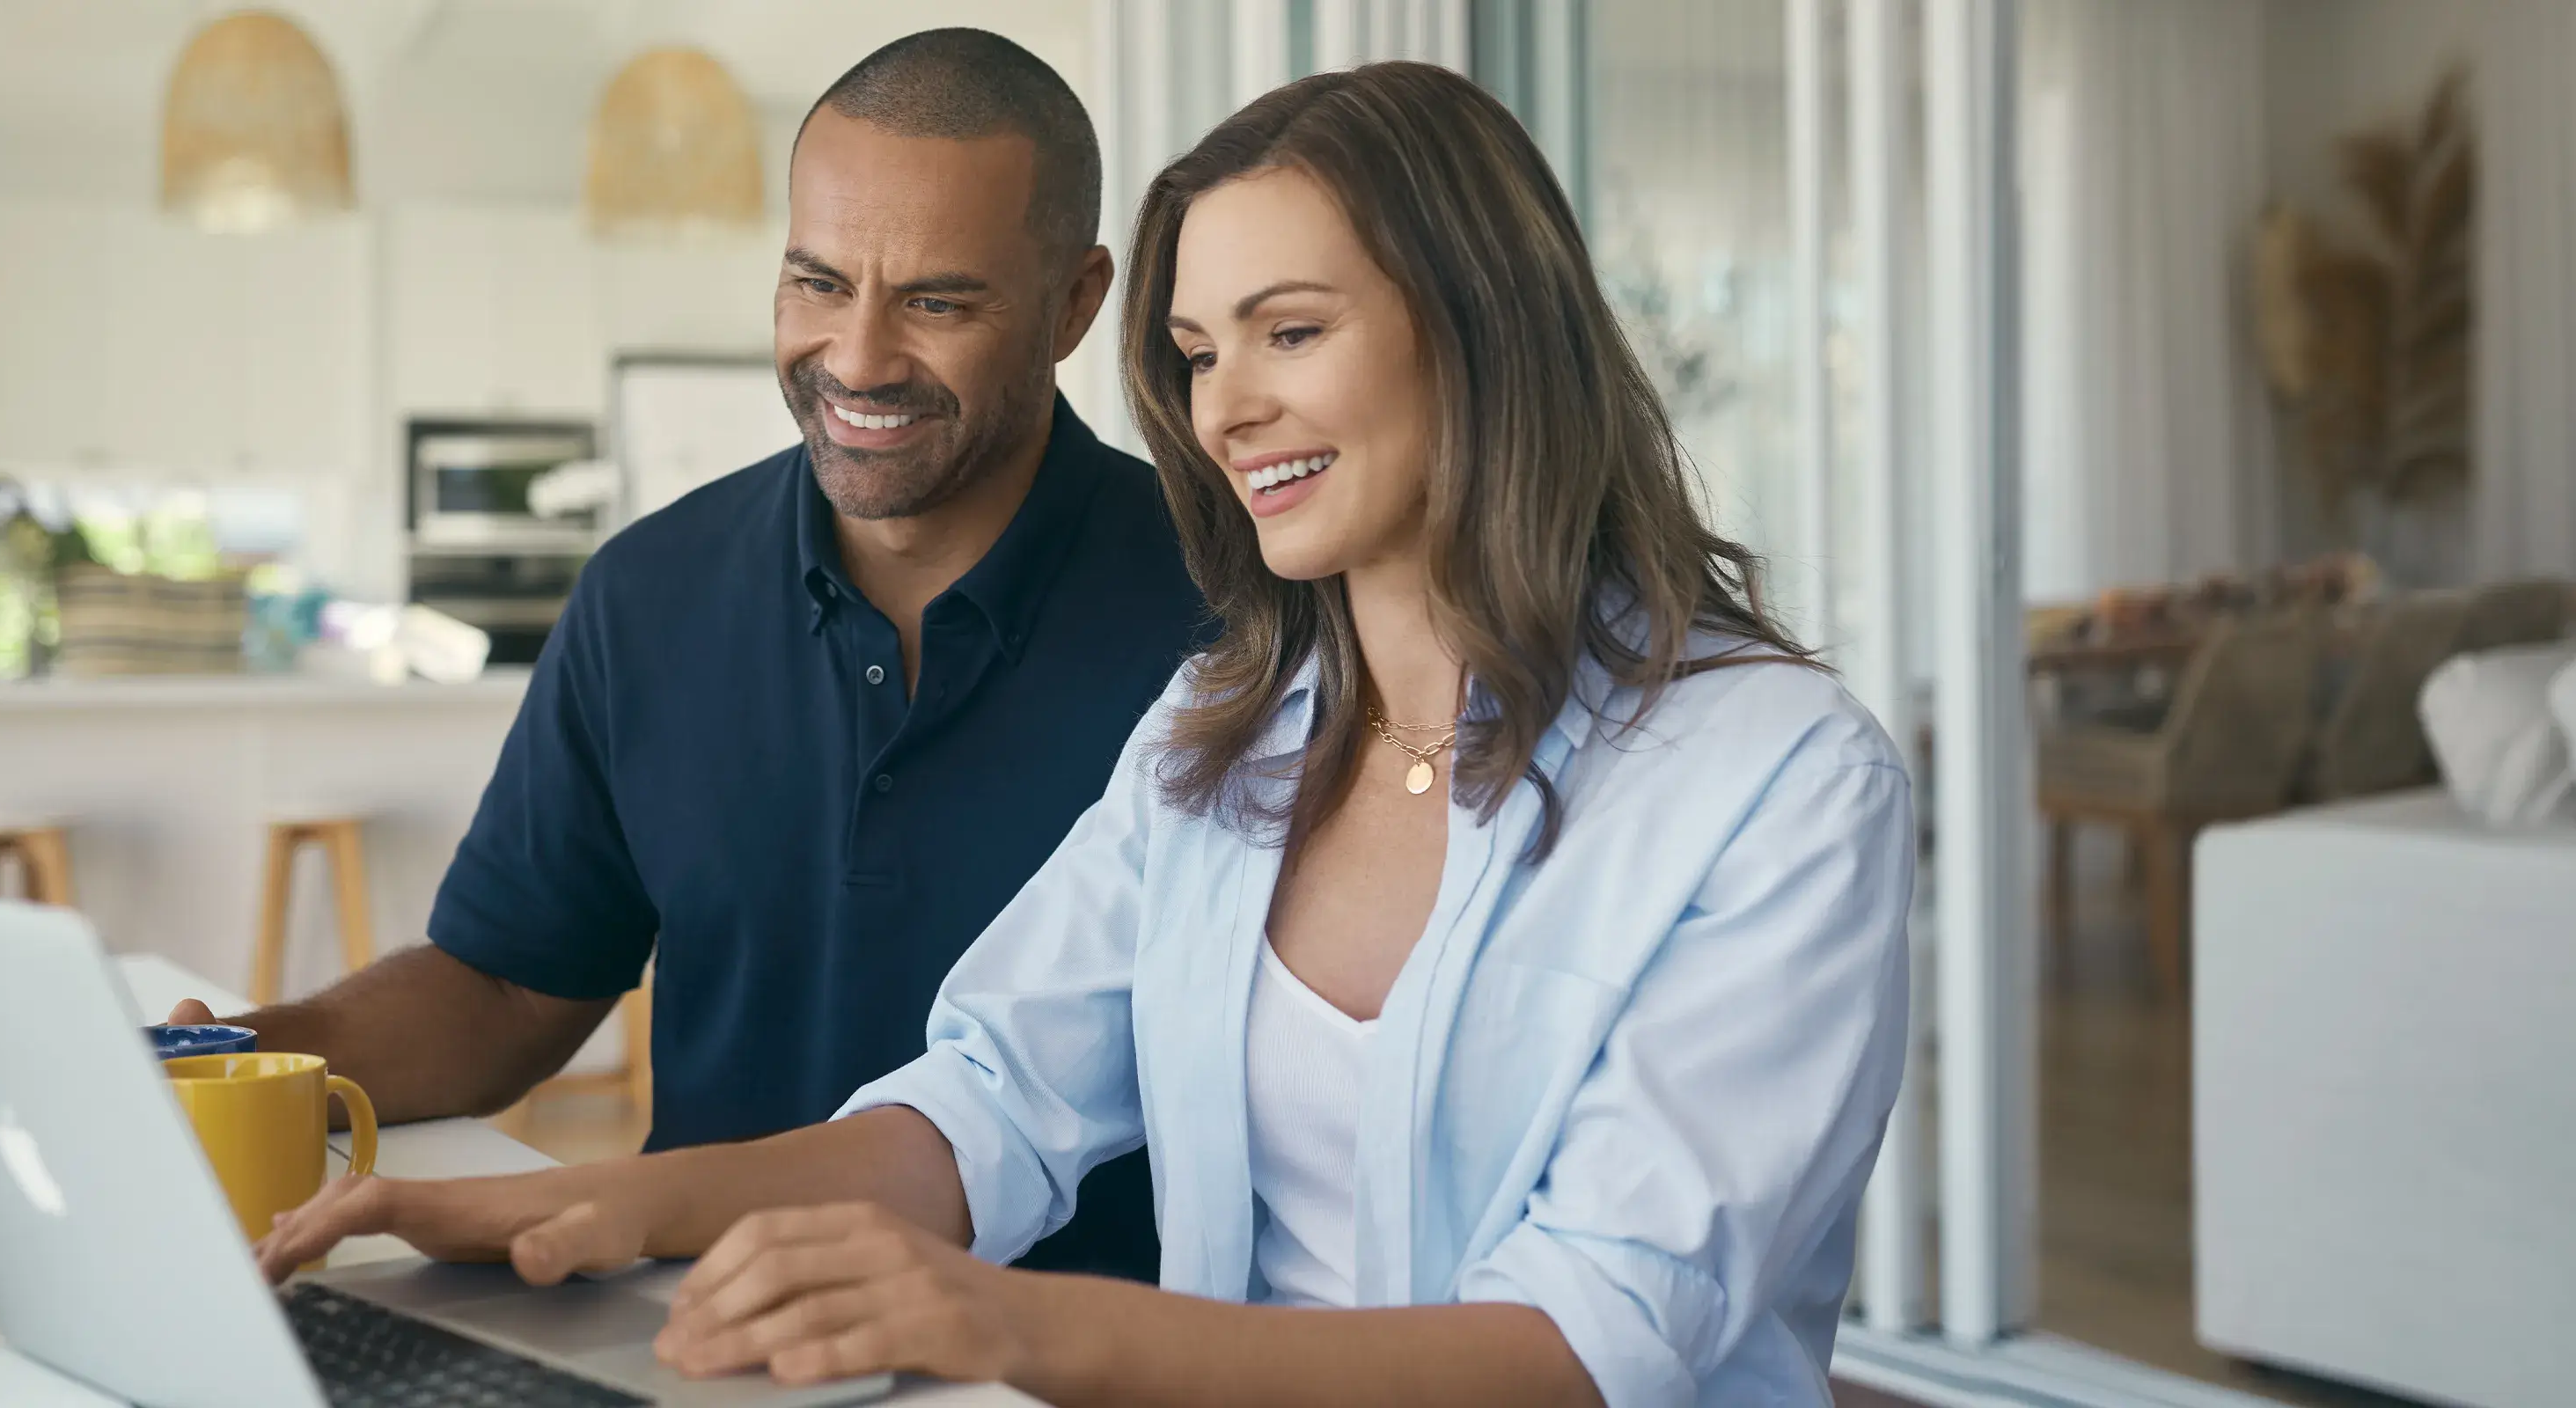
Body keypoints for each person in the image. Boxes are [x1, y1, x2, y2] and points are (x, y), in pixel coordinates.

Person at [253, 62, 1914, 1407]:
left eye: (1292, 331)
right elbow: (991, 1102)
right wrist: (589, 1207)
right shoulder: (1237, 727)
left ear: (1481, 326)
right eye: (1199, 354)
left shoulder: (1774, 783)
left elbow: (1582, 1347)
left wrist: (1005, 1327)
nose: (1226, 410)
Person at [167, 29, 1198, 1283]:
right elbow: (507, 991)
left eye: (937, 301)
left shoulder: (1234, 622)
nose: (859, 359)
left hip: (1070, 1357)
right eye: (817, 282)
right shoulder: (650, 594)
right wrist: (248, 1055)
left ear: (1074, 306)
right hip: (685, 1323)